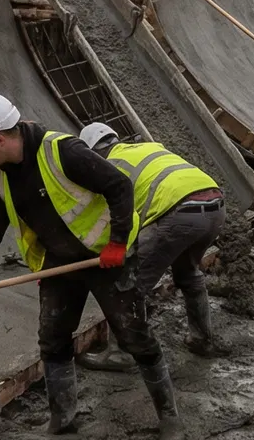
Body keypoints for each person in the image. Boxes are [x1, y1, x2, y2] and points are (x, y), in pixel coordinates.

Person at [0, 92, 189, 440]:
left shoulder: (62, 152)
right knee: (53, 339)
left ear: (0, 139)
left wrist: (117, 243)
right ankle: (62, 418)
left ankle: (170, 419)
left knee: (135, 335)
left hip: (106, 258)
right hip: (58, 263)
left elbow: (119, 186)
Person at [73, 122, 230, 361]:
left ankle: (122, 353)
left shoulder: (108, 167)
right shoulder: (147, 148)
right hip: (215, 205)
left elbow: (109, 220)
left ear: (92, 151)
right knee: (188, 274)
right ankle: (202, 339)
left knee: (129, 285)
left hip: (178, 212)